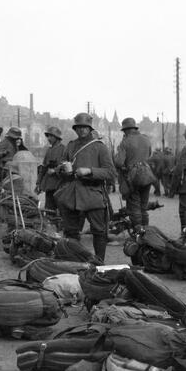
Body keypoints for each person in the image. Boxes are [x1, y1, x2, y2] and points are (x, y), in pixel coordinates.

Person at [54, 112, 117, 262]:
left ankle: (99, 262)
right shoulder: (71, 146)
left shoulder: (99, 147)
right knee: (71, 231)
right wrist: (63, 169)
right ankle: (75, 261)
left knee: (99, 231)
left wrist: (89, 171)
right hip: (72, 194)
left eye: (85, 127)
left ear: (90, 128)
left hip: (92, 193)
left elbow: (111, 172)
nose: (81, 130)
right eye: (78, 127)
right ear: (75, 129)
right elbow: (59, 167)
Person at [114, 118, 154, 229]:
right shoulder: (146, 139)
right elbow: (149, 154)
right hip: (147, 174)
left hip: (133, 176)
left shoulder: (125, 142)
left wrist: (118, 154)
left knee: (134, 207)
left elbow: (119, 162)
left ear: (126, 130)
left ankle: (138, 232)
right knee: (143, 207)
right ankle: (146, 231)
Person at [37, 126, 65, 213]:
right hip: (49, 185)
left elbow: (67, 166)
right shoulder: (49, 150)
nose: (49, 138)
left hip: (60, 185)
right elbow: (43, 168)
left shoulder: (64, 150)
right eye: (48, 136)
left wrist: (55, 170)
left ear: (57, 137)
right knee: (49, 210)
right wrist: (39, 183)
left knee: (61, 211)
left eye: (51, 136)